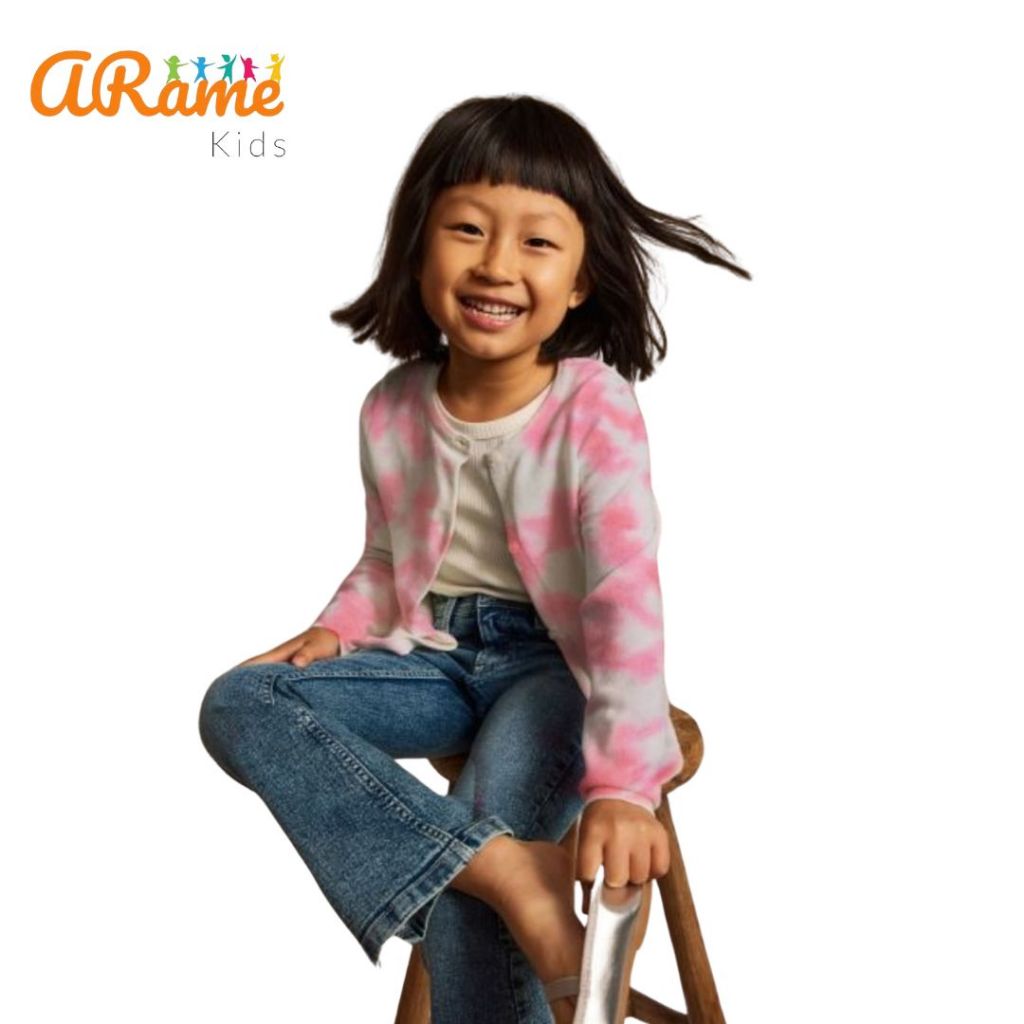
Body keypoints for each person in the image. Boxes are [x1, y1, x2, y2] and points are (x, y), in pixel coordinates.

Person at [198, 94, 749, 1024]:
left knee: (468, 866)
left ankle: (483, 872)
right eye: (466, 229)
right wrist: (335, 631)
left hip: (557, 670)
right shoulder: (392, 406)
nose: (496, 263)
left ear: (581, 280)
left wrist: (624, 784)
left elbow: (623, 597)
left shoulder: (593, 406)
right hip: (436, 658)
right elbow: (388, 559)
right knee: (240, 701)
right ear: (418, 248)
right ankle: (509, 873)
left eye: (537, 241)